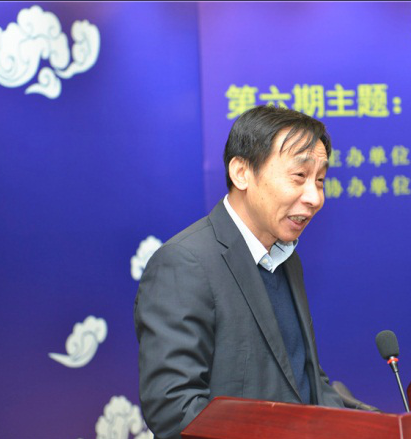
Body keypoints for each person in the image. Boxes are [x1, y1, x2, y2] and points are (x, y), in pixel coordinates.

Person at [134, 105, 344, 439]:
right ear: (241, 172)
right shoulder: (185, 262)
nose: (315, 197)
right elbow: (175, 409)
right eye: (299, 176)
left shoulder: (286, 258)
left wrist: (376, 425)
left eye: (320, 180)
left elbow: (304, 382)